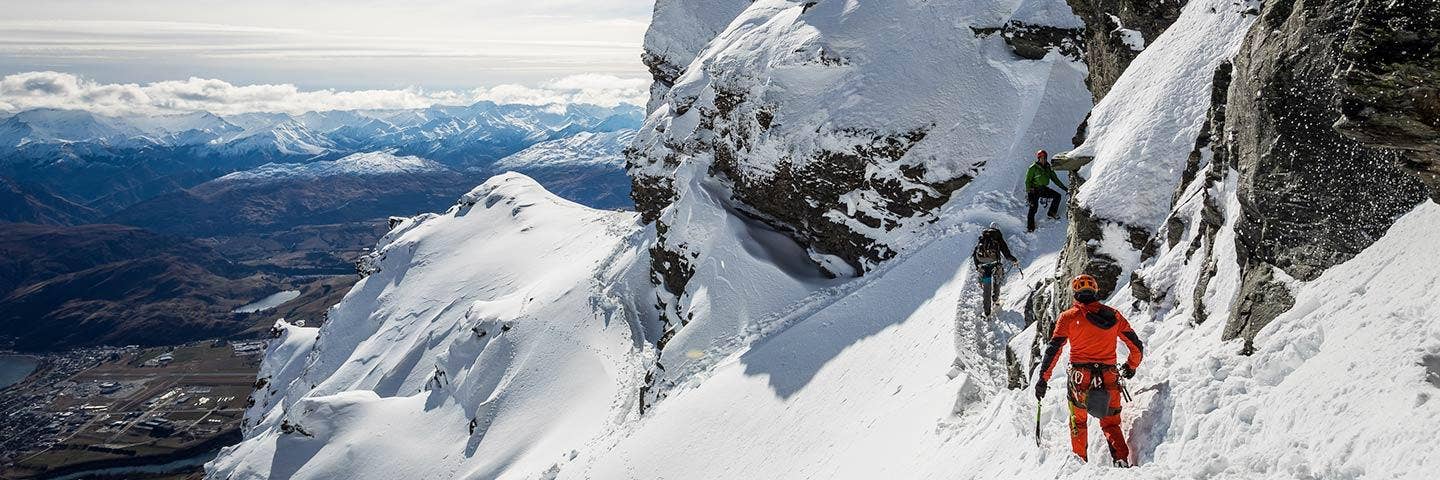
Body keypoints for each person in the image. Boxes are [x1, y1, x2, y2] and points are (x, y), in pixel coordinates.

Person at [1035, 274, 1144, 467]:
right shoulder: (1114, 316)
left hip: (1080, 381)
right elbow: (1136, 347)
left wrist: (1043, 379)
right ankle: (1121, 460)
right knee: (1111, 424)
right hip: (1109, 378)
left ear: (1075, 293)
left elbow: (1054, 350)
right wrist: (1131, 366)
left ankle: (1080, 464)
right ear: (1095, 291)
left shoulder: (1068, 318)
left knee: (1078, 422)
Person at [972, 223, 1019, 317]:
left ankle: (987, 313)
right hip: (994, 263)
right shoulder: (998, 238)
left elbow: (975, 254)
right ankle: (995, 299)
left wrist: (978, 267)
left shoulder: (983, 237)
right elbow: (1006, 254)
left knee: (986, 287)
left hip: (983, 264)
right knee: (997, 279)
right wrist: (1014, 260)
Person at [1025, 150, 1068, 232]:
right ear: (1038, 158)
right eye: (1042, 158)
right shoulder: (1033, 168)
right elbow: (1027, 181)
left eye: (1045, 157)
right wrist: (1029, 192)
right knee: (1033, 208)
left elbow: (1055, 179)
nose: (1043, 159)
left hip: (1043, 189)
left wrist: (1064, 188)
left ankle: (1051, 213)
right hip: (1034, 190)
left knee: (1057, 196)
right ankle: (1030, 227)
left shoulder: (1048, 168)